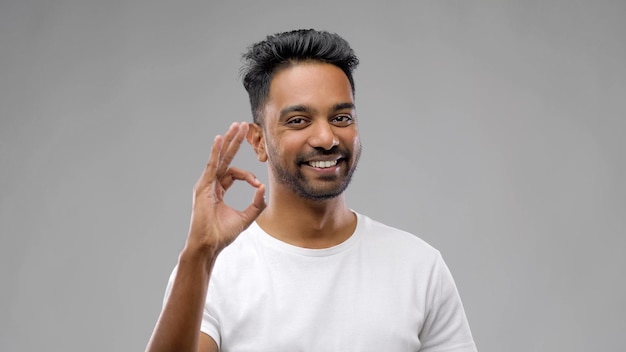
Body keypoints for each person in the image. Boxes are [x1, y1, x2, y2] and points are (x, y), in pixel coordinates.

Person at [145, 29, 477, 352]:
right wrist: (199, 252)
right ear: (258, 141)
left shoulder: (418, 266)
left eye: (342, 118)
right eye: (299, 121)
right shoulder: (213, 272)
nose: (326, 138)